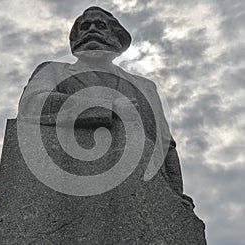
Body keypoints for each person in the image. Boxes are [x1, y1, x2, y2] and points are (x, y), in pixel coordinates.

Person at [18, 6, 194, 209]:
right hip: (74, 186)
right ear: (74, 41)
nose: (91, 30)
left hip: (145, 193)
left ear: (117, 39)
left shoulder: (145, 87)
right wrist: (107, 107)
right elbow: (31, 104)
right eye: (85, 26)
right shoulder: (53, 71)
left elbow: (166, 144)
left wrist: (175, 194)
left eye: (100, 25)